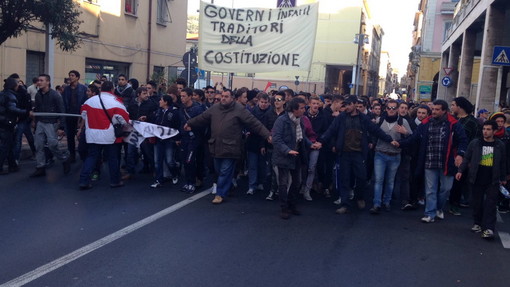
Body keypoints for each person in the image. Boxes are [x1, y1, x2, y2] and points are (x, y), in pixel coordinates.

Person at [184, 89, 271, 204]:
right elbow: (202, 118)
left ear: (232, 98)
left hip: (231, 147)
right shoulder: (215, 108)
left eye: (226, 96)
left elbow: (254, 123)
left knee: (225, 171)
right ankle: (229, 185)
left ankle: (220, 194)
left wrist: (267, 135)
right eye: (222, 96)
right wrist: (190, 123)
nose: (223, 98)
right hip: (216, 146)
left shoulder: (240, 110)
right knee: (219, 171)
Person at [318, 95, 393, 214]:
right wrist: (320, 142)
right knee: (345, 179)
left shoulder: (363, 118)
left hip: (359, 153)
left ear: (354, 104)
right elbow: (331, 131)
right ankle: (344, 204)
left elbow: (375, 130)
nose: (346, 107)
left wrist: (389, 139)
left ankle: (360, 197)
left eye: (348, 104)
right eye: (345, 105)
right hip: (345, 153)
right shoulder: (341, 118)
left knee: (362, 178)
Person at [396, 99, 468, 223]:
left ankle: (438, 208)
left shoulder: (453, 124)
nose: (433, 111)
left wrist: (460, 154)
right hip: (429, 161)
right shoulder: (426, 123)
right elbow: (414, 138)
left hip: (447, 162)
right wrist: (400, 143)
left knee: (446, 189)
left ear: (444, 111)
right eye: (433, 109)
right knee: (430, 189)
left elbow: (463, 140)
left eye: (437, 109)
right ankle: (429, 213)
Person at [456, 120, 507, 239]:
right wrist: (460, 171)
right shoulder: (475, 143)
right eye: (484, 129)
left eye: (489, 129)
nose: (485, 131)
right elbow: (467, 158)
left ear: (494, 131)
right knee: (476, 203)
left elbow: (503, 162)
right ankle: (477, 223)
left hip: (492, 179)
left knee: (491, 204)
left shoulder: (500, 145)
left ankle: (489, 228)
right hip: (476, 177)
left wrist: (503, 177)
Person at [272, 97, 321, 219]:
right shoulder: (282, 120)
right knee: (283, 183)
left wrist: (311, 144)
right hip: (284, 156)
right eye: (302, 108)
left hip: (297, 154)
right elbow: (277, 139)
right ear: (294, 109)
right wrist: (287, 150)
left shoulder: (301, 120)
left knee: (296, 182)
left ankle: (292, 205)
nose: (304, 110)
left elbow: (302, 137)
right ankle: (284, 208)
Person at [79, 81, 129, 190]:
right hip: (109, 136)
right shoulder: (116, 102)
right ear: (112, 89)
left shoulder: (89, 101)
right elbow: (125, 120)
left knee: (91, 157)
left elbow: (83, 115)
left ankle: (83, 181)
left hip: (92, 134)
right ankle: (115, 181)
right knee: (112, 158)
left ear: (101, 89)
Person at [369, 100, 412, 214]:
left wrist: (405, 132)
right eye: (389, 108)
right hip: (380, 153)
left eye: (394, 108)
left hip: (395, 155)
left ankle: (387, 201)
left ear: (397, 109)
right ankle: (376, 203)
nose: (391, 110)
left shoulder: (403, 122)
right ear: (386, 109)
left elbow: (412, 138)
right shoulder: (380, 120)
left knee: (390, 180)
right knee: (379, 180)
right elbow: (373, 133)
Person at [31, 74, 71, 177]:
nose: (39, 82)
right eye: (38, 80)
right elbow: (37, 109)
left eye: (41, 80)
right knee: (38, 145)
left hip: (51, 123)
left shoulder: (55, 95)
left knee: (53, 145)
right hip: (40, 122)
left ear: (47, 82)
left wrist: (62, 127)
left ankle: (64, 159)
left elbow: (62, 111)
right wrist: (34, 121)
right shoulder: (38, 94)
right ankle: (40, 167)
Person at [448, 97, 480, 215]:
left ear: (460, 107)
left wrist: (470, 158)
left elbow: (475, 141)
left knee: (458, 180)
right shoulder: (452, 119)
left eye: (453, 105)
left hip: (463, 155)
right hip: (449, 153)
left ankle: (454, 204)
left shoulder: (472, 122)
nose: (451, 107)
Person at [0, 77, 32, 174]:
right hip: (7, 123)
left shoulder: (3, 93)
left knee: (9, 145)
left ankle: (12, 165)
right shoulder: (11, 96)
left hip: (3, 122)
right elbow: (12, 109)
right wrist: (27, 113)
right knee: (5, 146)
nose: (19, 86)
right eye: (17, 85)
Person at [178, 87, 206, 193]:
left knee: (190, 161)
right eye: (181, 96)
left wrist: (192, 128)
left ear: (190, 97)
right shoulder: (181, 109)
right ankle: (187, 182)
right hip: (184, 138)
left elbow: (203, 123)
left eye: (184, 96)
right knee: (185, 161)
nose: (182, 98)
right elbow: (180, 123)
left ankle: (193, 183)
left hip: (194, 138)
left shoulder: (198, 109)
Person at [150, 95, 180, 188]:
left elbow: (178, 126)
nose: (159, 101)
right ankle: (159, 179)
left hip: (170, 140)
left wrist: (177, 139)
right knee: (157, 161)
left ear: (166, 102)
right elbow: (153, 122)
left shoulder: (174, 112)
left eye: (161, 100)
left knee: (170, 161)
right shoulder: (158, 112)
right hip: (159, 139)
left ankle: (175, 174)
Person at [61, 70, 88, 163]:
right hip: (69, 115)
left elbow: (85, 102)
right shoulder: (66, 89)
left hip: (80, 116)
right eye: (69, 75)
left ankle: (83, 154)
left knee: (81, 136)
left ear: (77, 77)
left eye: (72, 75)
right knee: (70, 136)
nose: (70, 77)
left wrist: (82, 117)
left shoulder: (84, 89)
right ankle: (72, 154)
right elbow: (64, 103)